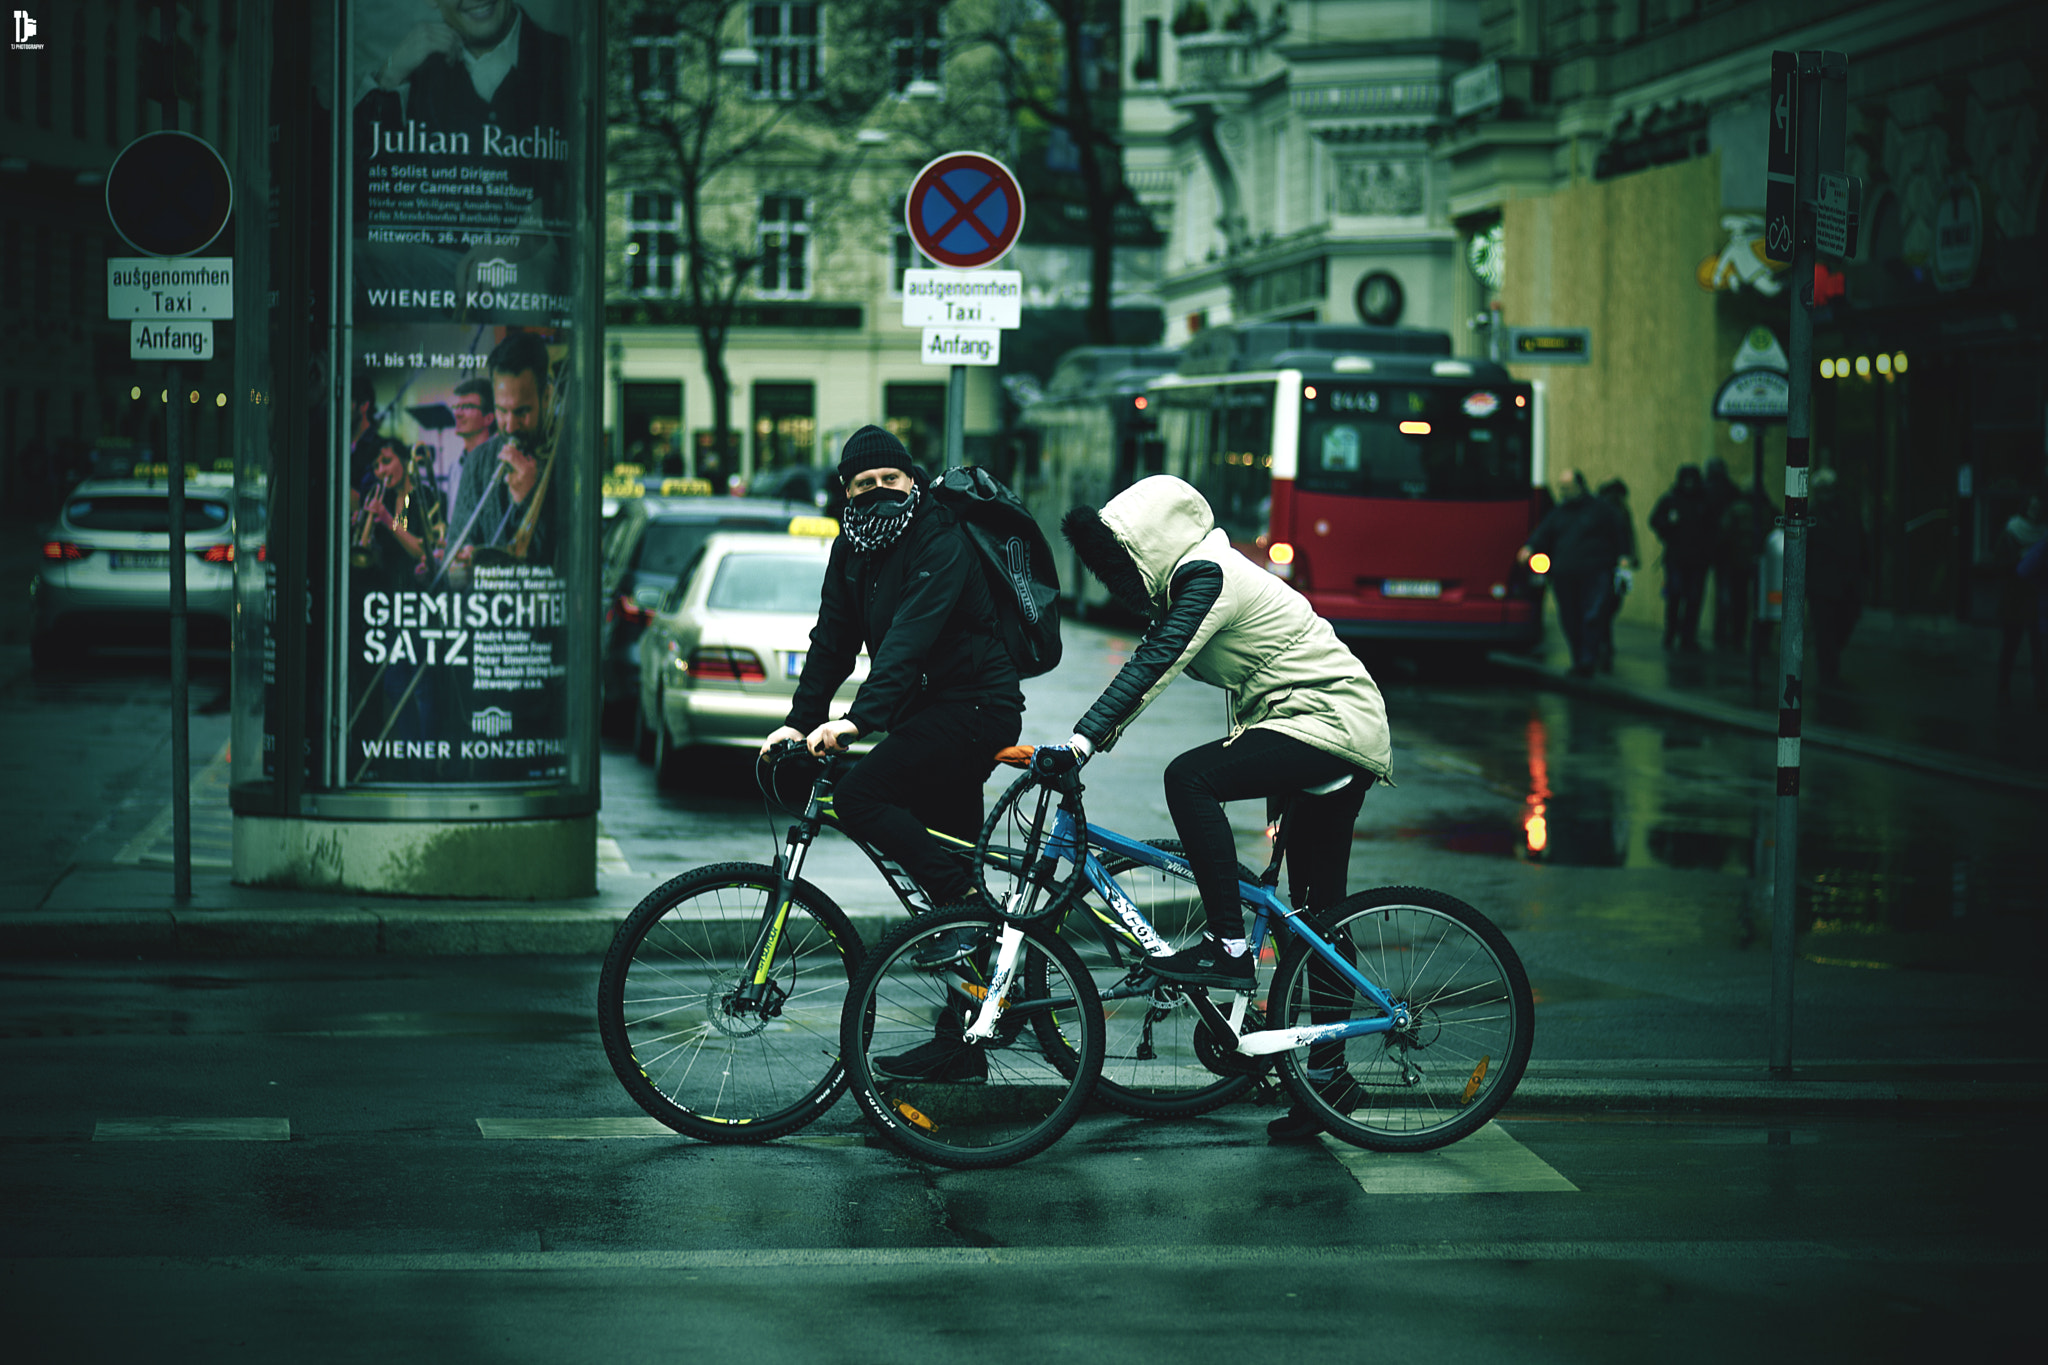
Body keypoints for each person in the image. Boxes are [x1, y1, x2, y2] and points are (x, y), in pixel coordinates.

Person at [1029, 474, 1392, 1141]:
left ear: (1152, 543)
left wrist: (1081, 740)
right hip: (1317, 722)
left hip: (1329, 723)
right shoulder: (1204, 575)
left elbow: (1156, 660)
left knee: (1188, 777)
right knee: (1314, 914)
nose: (1121, 581)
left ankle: (1228, 948)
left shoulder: (1208, 574)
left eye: (1124, 562)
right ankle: (1331, 1081)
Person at [759, 424, 1026, 979]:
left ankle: (967, 902)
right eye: (864, 482)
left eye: (890, 478)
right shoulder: (850, 549)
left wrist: (858, 718)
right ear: (846, 492)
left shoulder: (940, 538)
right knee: (942, 855)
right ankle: (965, 1041)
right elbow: (832, 641)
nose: (879, 489)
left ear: (911, 480)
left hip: (975, 708)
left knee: (860, 796)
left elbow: (910, 636)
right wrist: (798, 722)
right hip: (924, 716)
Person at [448, 331, 556, 569]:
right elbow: (455, 550)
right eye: (502, 410)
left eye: (522, 412)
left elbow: (560, 563)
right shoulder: (477, 462)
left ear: (546, 396)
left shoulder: (566, 460)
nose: (510, 425)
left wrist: (528, 499)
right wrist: (459, 566)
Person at [1520, 470, 1630, 677]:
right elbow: (1543, 533)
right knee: (1570, 617)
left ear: (1580, 486)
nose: (1564, 492)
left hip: (1595, 570)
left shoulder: (1600, 510)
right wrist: (1530, 547)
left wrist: (1623, 556)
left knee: (1592, 615)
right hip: (1565, 573)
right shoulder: (1559, 513)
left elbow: (1619, 532)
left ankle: (1587, 658)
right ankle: (1580, 658)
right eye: (1562, 488)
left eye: (1567, 487)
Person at [1804, 469, 1867, 685]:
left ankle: (1830, 663)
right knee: (1824, 630)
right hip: (1821, 584)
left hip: (1846, 581)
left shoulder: (1848, 513)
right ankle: (1827, 673)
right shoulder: (1811, 515)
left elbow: (1861, 543)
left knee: (1844, 624)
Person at [1649, 464, 1716, 651]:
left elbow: (1714, 528)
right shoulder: (1671, 500)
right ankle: (1672, 632)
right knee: (1675, 597)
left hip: (1697, 559)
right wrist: (1668, 527)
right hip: (1677, 558)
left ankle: (1687, 636)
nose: (1689, 484)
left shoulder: (1703, 501)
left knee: (1693, 599)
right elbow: (1655, 520)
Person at [1993, 491, 2048, 704]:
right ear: (2024, 508)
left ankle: (2041, 693)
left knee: (2038, 649)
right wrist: (2020, 558)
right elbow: (2000, 563)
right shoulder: (2012, 530)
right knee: (2011, 645)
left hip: (2037, 598)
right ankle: (2003, 689)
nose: (2035, 511)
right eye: (2031, 507)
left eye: (2038, 507)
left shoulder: (2043, 533)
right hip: (2015, 597)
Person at [1593, 478, 1638, 673]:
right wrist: (1631, 557)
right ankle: (1604, 642)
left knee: (1604, 604)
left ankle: (1602, 642)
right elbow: (1628, 536)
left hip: (1603, 563)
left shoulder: (1599, 508)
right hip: (1616, 563)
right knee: (1610, 603)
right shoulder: (1618, 510)